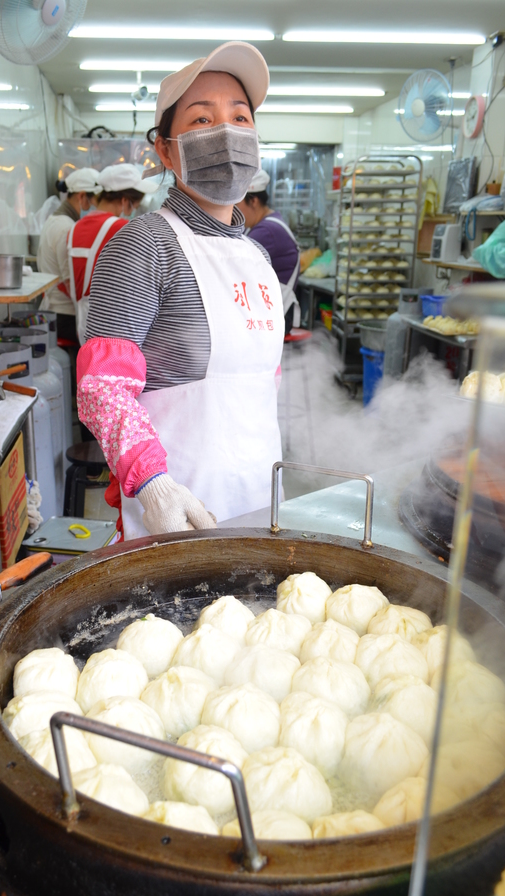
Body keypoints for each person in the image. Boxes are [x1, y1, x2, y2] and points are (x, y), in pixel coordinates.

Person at [77, 42, 284, 541]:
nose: (226, 133)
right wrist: (152, 484)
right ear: (165, 149)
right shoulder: (145, 243)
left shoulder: (257, 256)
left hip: (260, 502)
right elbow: (102, 390)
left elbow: (260, 388)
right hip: (179, 513)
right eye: (201, 120)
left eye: (240, 117)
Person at [68, 164, 159, 345]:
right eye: (135, 204)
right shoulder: (121, 228)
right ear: (125, 201)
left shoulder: (75, 227)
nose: (134, 210)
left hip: (82, 322)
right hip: (111, 325)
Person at [37, 167, 101, 347]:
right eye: (94, 202)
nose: (96, 208)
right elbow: (69, 285)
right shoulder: (66, 228)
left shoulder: (55, 220)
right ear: (82, 197)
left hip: (55, 310)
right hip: (64, 316)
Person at [237, 169, 301, 335]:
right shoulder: (270, 223)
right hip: (272, 314)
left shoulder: (267, 231)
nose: (235, 212)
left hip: (273, 316)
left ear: (254, 201)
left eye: (238, 205)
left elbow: (236, 268)